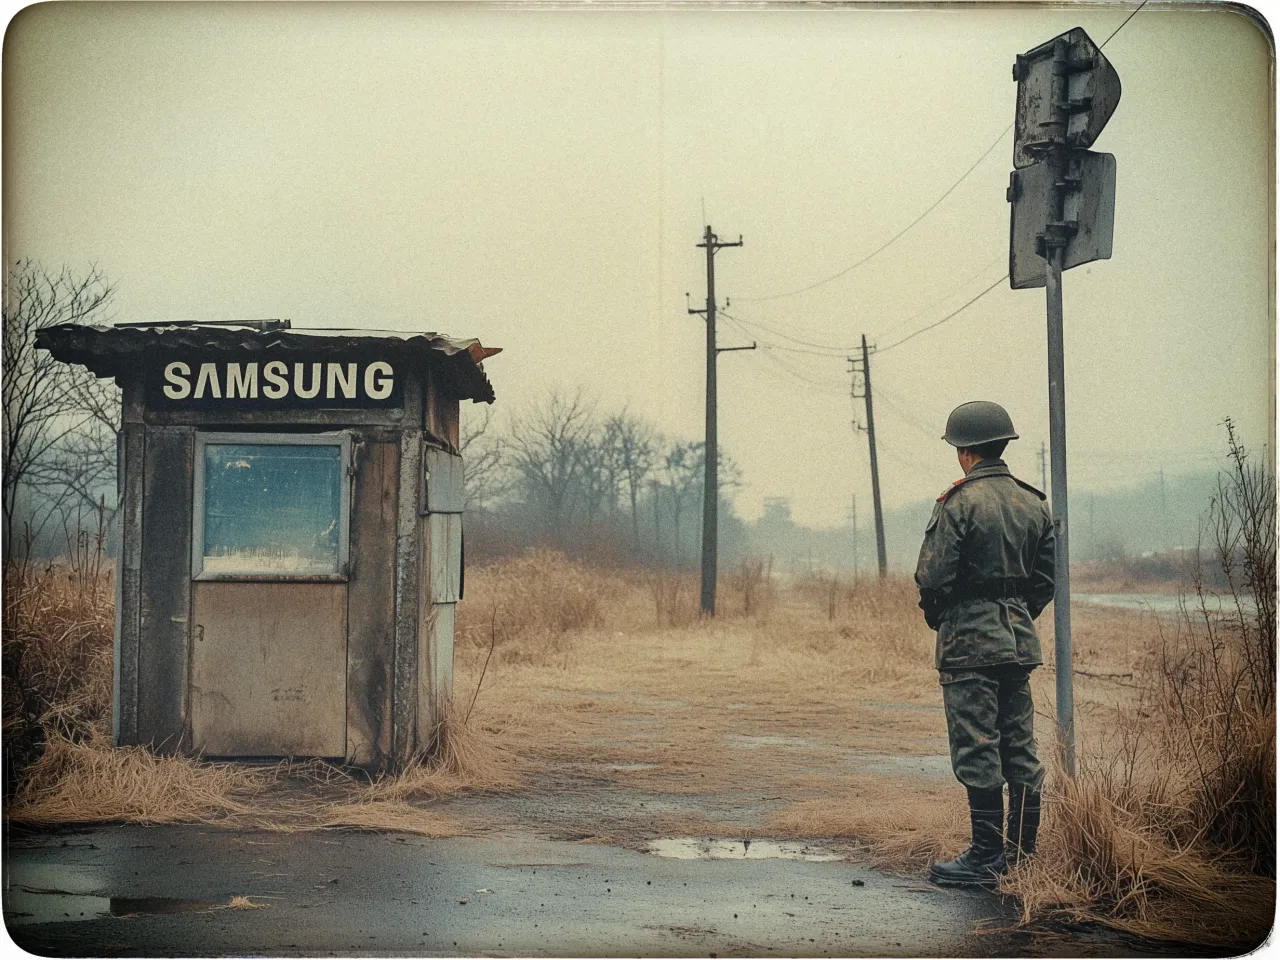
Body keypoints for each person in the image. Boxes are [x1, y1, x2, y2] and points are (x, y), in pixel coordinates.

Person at [915, 400, 1055, 886]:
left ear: (964, 451)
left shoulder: (957, 503)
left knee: (977, 745)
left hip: (968, 643)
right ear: (1002, 445)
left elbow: (932, 578)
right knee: (1019, 743)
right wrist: (1015, 614)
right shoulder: (1034, 503)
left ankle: (985, 857)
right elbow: (1044, 582)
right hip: (1018, 642)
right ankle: (1021, 856)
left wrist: (946, 619)